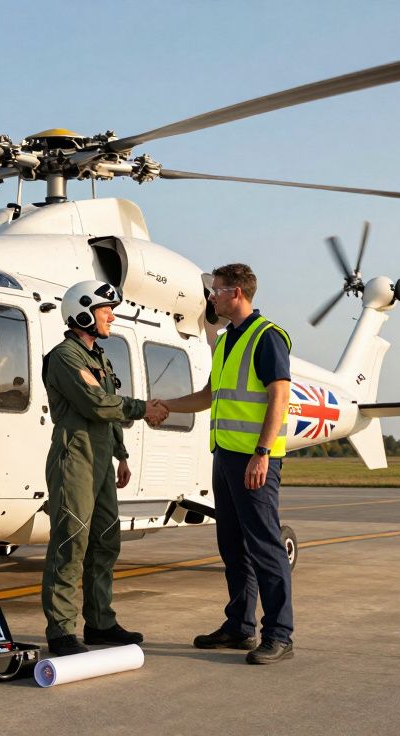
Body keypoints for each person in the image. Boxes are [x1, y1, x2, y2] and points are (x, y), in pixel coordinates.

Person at [153, 263, 295, 664]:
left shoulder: (267, 337)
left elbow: (278, 399)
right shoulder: (230, 339)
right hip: (226, 457)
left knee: (265, 547)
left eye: (215, 291)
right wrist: (167, 405)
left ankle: (280, 634)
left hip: (254, 460)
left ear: (236, 293)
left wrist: (263, 453)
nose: (210, 297)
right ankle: (240, 627)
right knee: (232, 547)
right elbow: (210, 395)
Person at [41, 279, 169, 656]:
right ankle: (61, 632)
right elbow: (96, 404)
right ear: (83, 312)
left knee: (105, 542)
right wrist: (143, 408)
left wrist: (121, 454)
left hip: (100, 463)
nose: (111, 316)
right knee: (71, 543)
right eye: (104, 309)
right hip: (75, 460)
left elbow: (107, 413)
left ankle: (100, 622)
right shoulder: (66, 357)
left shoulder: (99, 359)